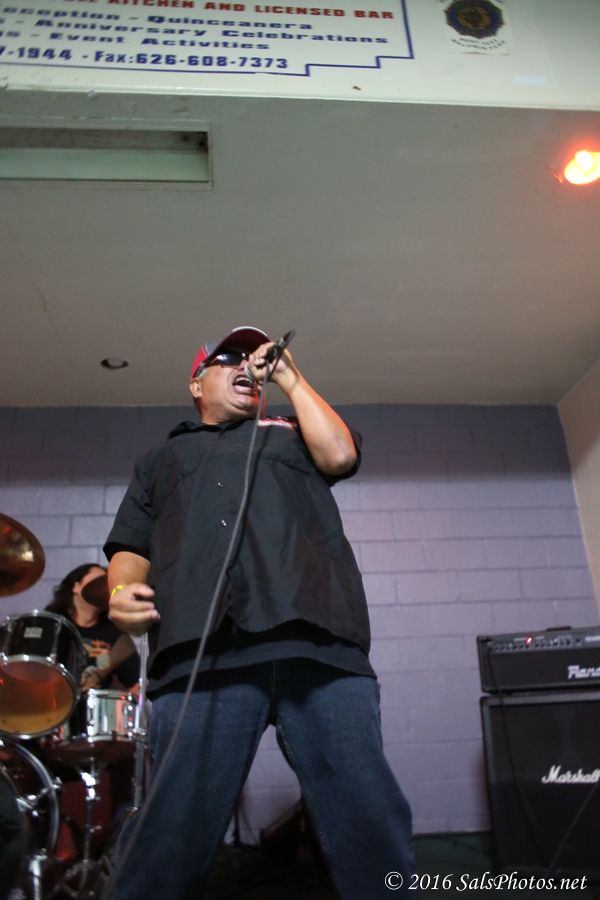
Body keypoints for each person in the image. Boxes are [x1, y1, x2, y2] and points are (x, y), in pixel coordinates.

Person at [104, 326, 415, 899]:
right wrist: (121, 592)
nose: (245, 366)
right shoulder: (161, 460)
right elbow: (130, 546)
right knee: (170, 829)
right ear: (196, 383)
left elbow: (341, 454)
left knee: (369, 816)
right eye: (228, 359)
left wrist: (291, 379)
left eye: (252, 359)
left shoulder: (292, 430)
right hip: (200, 652)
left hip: (317, 643)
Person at [46, 563, 139, 692]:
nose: (103, 585)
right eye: (98, 579)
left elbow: (135, 685)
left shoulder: (114, 633)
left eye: (106, 582)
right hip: (50, 698)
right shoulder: (51, 625)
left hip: (94, 703)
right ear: (76, 587)